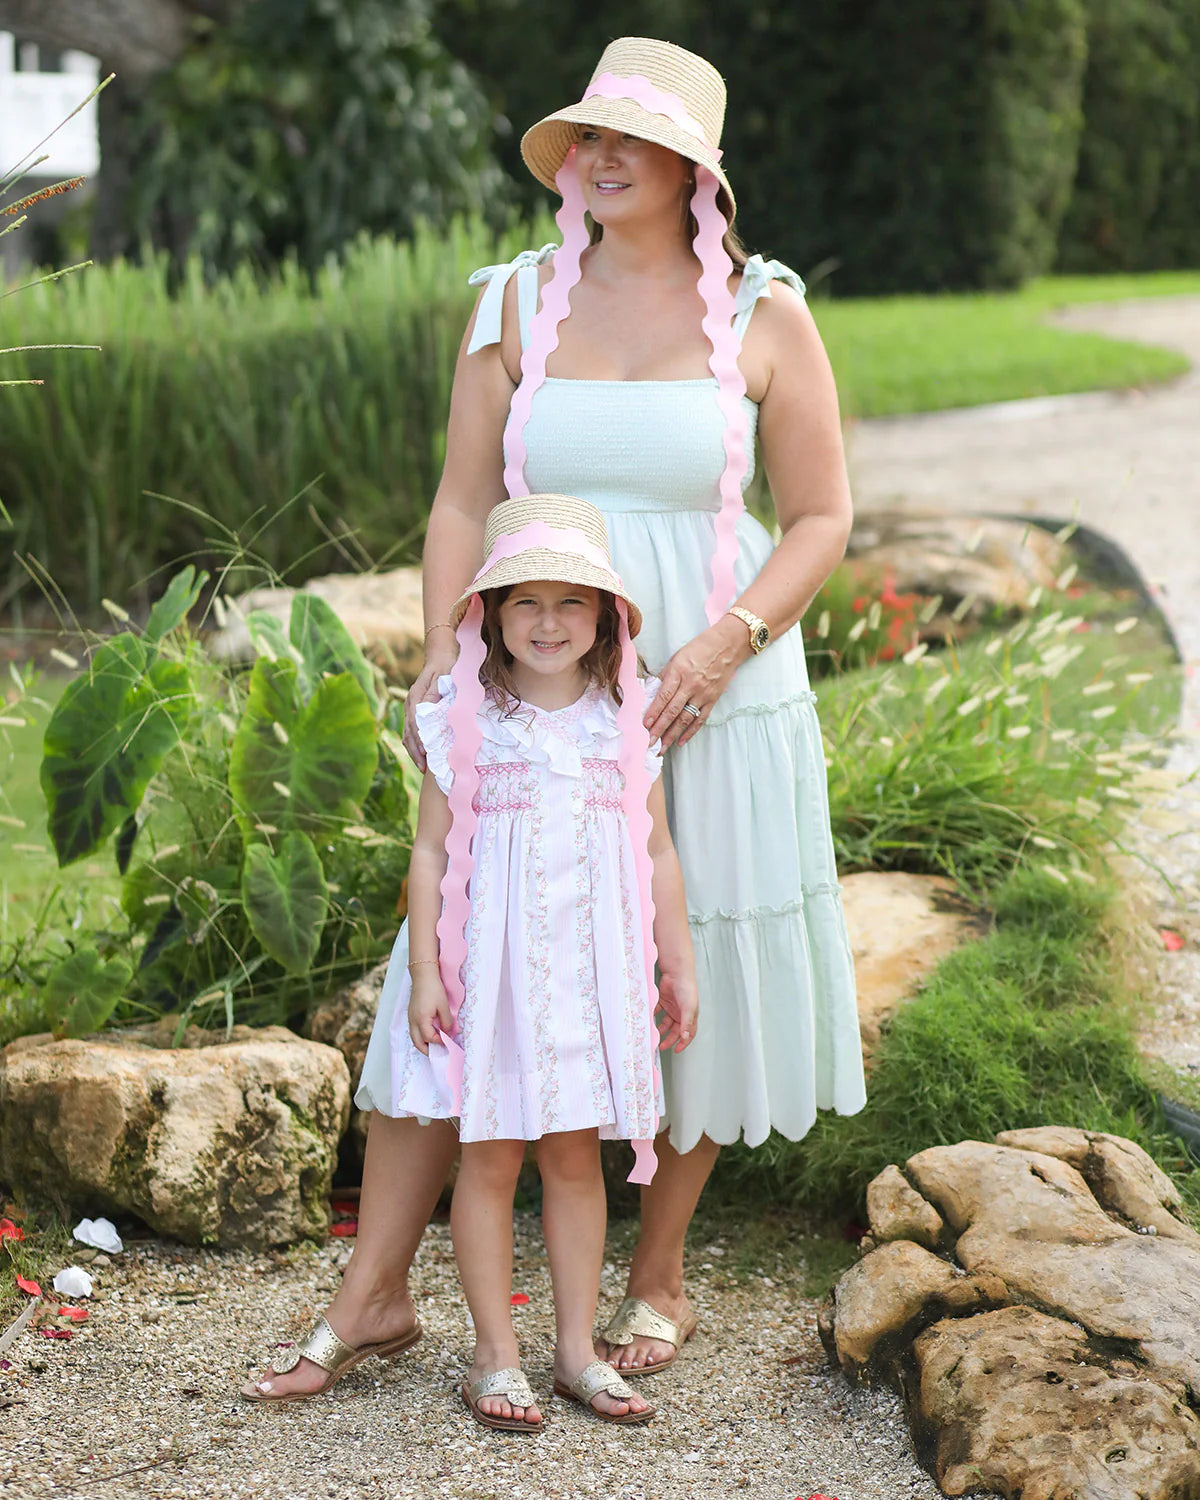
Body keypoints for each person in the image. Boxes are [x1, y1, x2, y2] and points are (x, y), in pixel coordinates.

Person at [242, 34, 865, 1405]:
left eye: (629, 138)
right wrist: (440, 660)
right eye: (587, 135)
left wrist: (724, 643)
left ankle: (660, 1274)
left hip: (717, 698)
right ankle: (379, 1289)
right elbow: (463, 500)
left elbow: (823, 515)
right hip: (527, 700)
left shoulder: (766, 310)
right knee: (452, 964)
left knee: (691, 971)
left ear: (692, 165)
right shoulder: (513, 304)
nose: (599, 156)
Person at [400, 493, 696, 1429]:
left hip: (590, 975)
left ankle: (574, 1353)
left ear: (605, 616)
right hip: (494, 981)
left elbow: (655, 853)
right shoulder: (469, 721)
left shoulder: (624, 718)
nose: (548, 622)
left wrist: (675, 962)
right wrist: (422, 971)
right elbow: (431, 853)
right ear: (489, 612)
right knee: (487, 1160)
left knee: (573, 1160)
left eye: (572, 602)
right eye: (525, 601)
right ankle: (495, 1355)